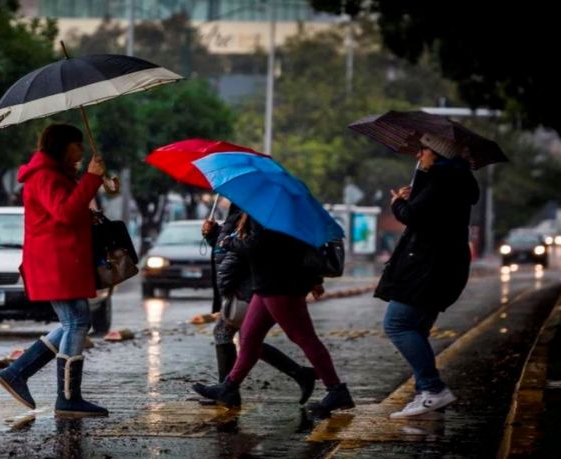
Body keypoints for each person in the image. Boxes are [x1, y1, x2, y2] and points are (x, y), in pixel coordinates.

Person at [0, 123, 108, 418]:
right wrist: (92, 179)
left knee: (76, 321)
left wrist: (91, 196)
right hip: (55, 260)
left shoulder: (56, 174)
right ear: (63, 146)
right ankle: (67, 398)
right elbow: (64, 213)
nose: (81, 150)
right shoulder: (44, 175)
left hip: (62, 259)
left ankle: (18, 373)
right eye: (77, 144)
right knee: (76, 322)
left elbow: (67, 211)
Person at [192, 216, 354, 417]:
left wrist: (228, 242)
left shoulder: (265, 213)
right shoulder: (270, 211)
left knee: (304, 338)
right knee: (249, 339)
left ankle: (336, 390)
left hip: (281, 285)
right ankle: (229, 387)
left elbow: (257, 244)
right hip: (265, 284)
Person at [377, 133, 480, 419]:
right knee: (416, 329)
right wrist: (421, 176)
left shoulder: (444, 180)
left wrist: (397, 203)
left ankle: (433, 389)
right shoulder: (450, 179)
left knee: (397, 324)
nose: (418, 155)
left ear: (438, 152)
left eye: (423, 151)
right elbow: (425, 210)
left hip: (430, 268)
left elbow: (413, 216)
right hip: (441, 267)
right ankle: (424, 393)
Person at [201, 204, 317, 404]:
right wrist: (212, 235)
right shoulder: (237, 214)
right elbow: (224, 249)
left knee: (235, 336)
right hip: (244, 285)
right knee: (246, 339)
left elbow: (247, 249)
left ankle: (227, 390)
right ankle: (299, 374)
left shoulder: (255, 214)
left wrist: (228, 277)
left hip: (249, 286)